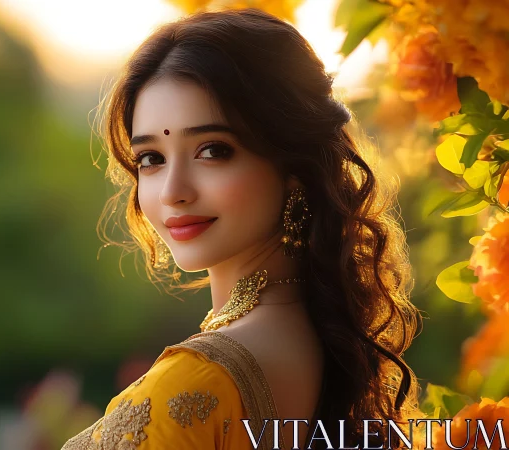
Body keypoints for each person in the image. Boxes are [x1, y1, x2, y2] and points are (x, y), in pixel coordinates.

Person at [62, 8, 424, 450]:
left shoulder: (192, 382)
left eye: (212, 151)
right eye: (151, 159)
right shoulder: (324, 346)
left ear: (294, 169)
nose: (172, 191)